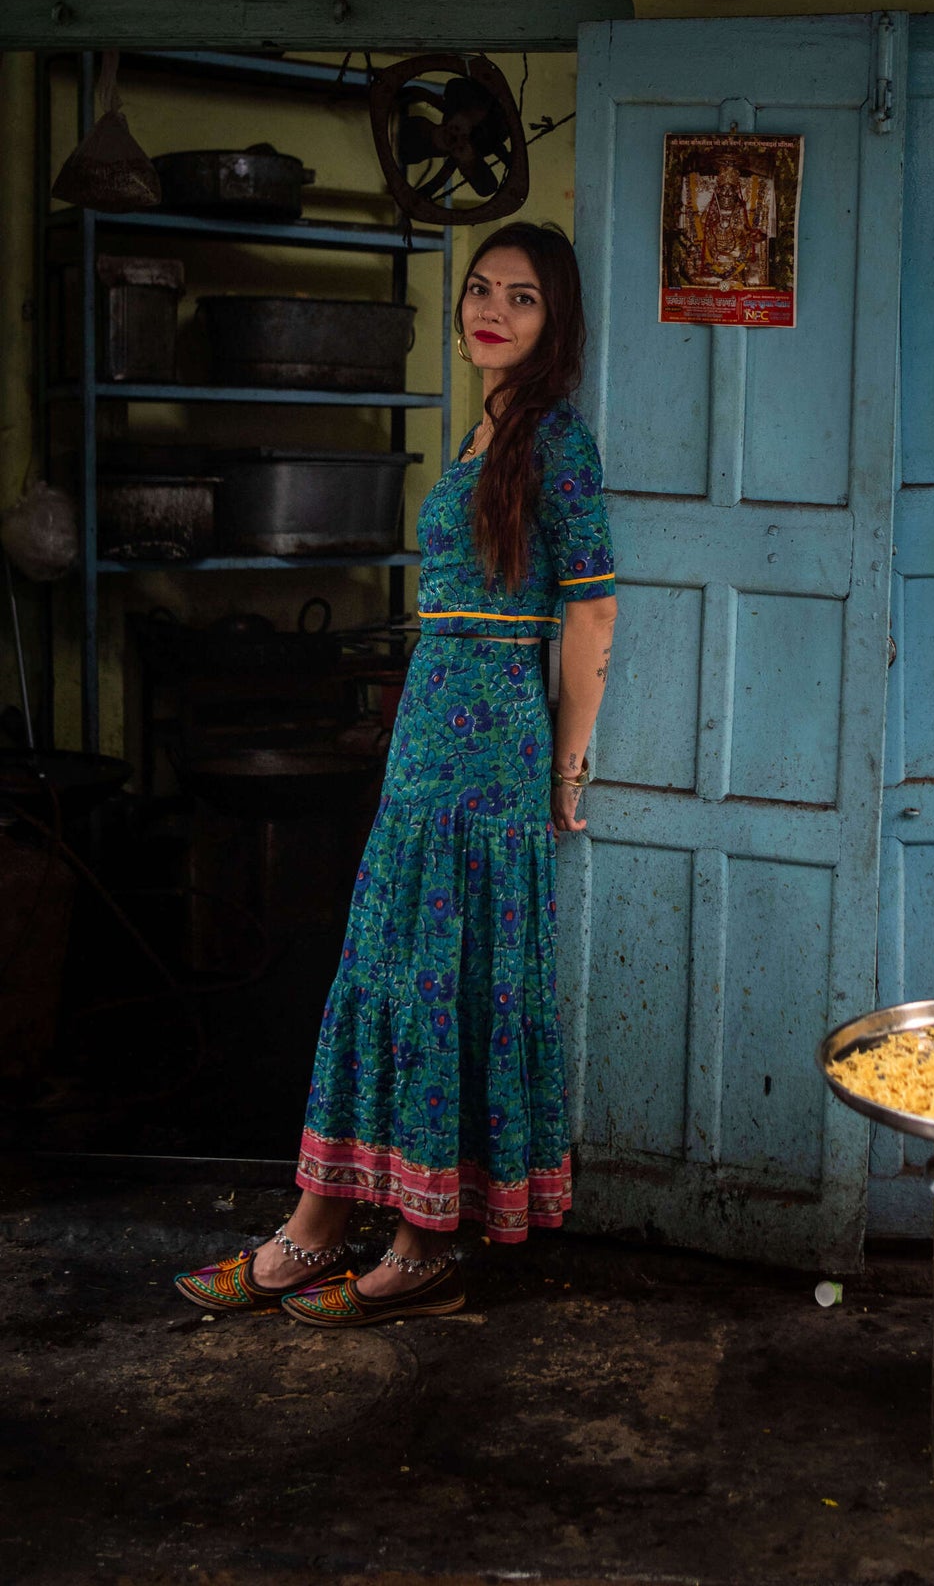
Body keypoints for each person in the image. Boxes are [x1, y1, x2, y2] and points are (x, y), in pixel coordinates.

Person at [175, 222, 617, 1328]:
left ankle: (423, 1240)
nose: (493, 311)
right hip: (426, 726)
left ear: (553, 322)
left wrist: (567, 762)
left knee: (449, 979)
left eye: (521, 297)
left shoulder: (558, 440)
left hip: (496, 732)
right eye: (480, 289)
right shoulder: (480, 431)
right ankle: (314, 1225)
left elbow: (592, 605)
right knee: (379, 968)